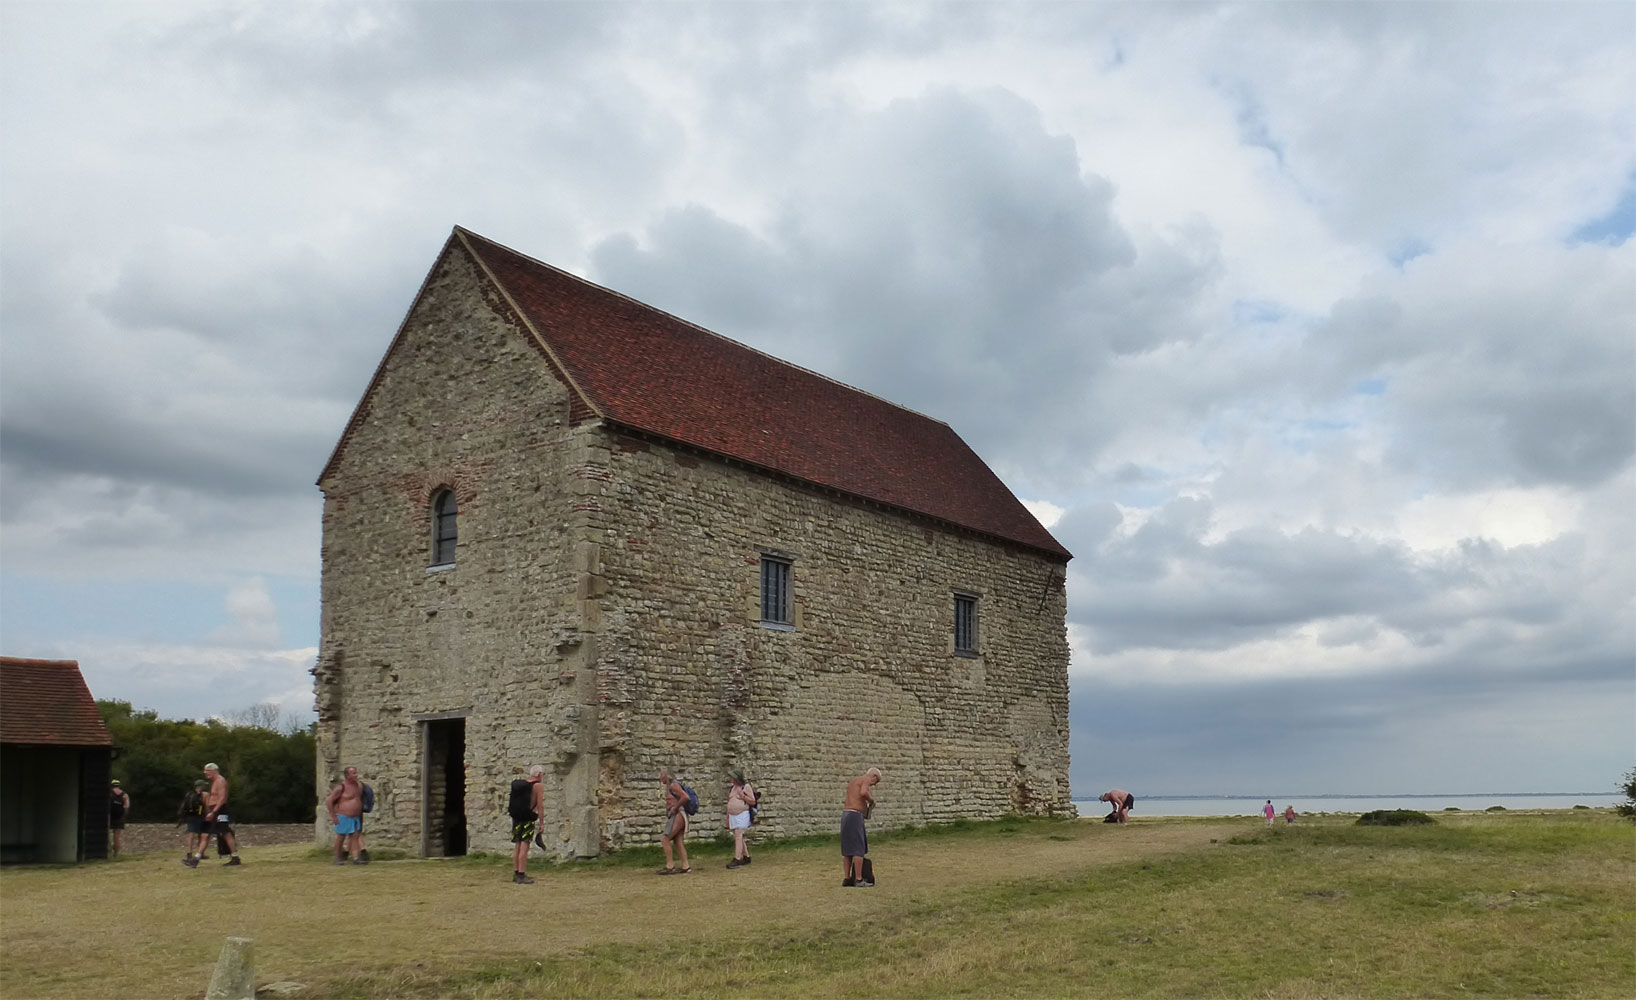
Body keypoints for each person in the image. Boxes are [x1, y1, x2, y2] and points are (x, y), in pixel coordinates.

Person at [841, 767, 880, 887]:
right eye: (876, 781)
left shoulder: (854, 781)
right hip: (855, 815)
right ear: (873, 776)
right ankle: (858, 879)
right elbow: (863, 792)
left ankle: (847, 878)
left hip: (846, 814)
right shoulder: (866, 780)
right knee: (859, 848)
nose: (873, 785)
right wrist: (871, 801)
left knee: (847, 849)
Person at [325, 766, 369, 865]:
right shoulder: (341, 788)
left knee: (354, 837)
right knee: (341, 837)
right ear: (347, 775)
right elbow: (329, 801)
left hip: (355, 817)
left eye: (356, 772)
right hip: (343, 816)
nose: (356, 775)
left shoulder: (359, 786)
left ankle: (355, 857)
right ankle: (337, 857)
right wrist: (333, 816)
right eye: (353, 773)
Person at [201, 763, 241, 866]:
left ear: (214, 770)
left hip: (219, 810)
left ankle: (235, 857)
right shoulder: (214, 782)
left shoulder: (220, 781)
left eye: (207, 771)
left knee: (225, 833)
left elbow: (222, 798)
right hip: (214, 810)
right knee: (208, 833)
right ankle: (196, 858)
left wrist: (214, 811)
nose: (205, 773)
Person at [510, 765, 544, 884]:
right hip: (528, 819)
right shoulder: (537, 786)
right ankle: (522, 874)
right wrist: (541, 823)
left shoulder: (521, 786)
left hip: (517, 818)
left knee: (517, 846)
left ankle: (516, 873)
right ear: (539, 775)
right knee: (525, 846)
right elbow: (540, 806)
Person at [657, 768, 691, 875]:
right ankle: (686, 866)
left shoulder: (673, 786)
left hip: (678, 814)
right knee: (678, 841)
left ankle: (670, 866)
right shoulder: (671, 786)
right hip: (677, 815)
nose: (659, 778)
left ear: (666, 776)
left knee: (665, 838)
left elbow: (686, 797)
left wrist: (675, 808)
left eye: (661, 775)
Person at [725, 771, 757, 869]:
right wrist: (727, 818)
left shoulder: (745, 787)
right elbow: (729, 802)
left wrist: (742, 796)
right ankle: (746, 856)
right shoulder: (732, 788)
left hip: (742, 813)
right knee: (737, 836)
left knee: (738, 834)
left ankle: (737, 858)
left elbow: (752, 801)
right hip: (733, 815)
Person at [179, 779, 210, 865]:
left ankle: (189, 854)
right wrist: (209, 814)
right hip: (200, 816)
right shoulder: (205, 794)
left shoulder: (189, 794)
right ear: (202, 786)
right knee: (203, 835)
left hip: (190, 816)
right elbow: (207, 806)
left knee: (191, 834)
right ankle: (200, 853)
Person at [108, 780, 131, 858]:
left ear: (111, 785)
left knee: (105, 833)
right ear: (119, 785)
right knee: (116, 835)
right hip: (119, 817)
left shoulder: (109, 793)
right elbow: (127, 807)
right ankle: (116, 854)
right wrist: (123, 816)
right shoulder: (125, 795)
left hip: (109, 816)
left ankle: (107, 850)